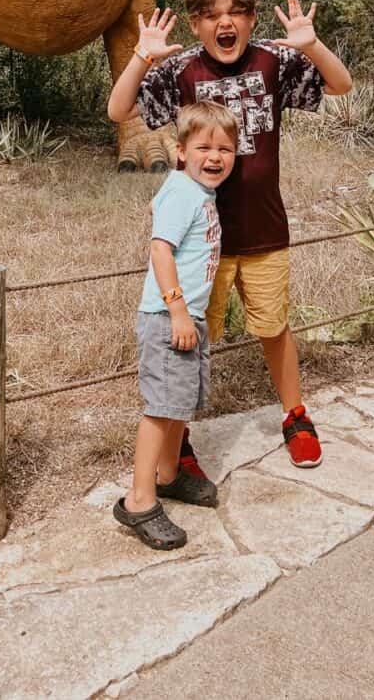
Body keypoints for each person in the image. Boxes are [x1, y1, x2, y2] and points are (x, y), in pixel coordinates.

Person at [108, 0, 353, 473]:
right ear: (195, 25)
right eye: (212, 15)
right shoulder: (181, 72)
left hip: (264, 229)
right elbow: (119, 110)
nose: (227, 23)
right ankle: (180, 441)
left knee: (274, 327)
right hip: (200, 242)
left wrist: (309, 44)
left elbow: (341, 84)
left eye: (238, 13)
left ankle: (295, 415)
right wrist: (140, 56)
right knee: (191, 335)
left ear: (253, 18)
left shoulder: (274, 61)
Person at [113, 99, 239, 550]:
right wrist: (179, 310)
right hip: (169, 317)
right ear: (181, 150)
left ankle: (167, 476)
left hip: (187, 318)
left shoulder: (192, 191)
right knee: (160, 408)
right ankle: (139, 499)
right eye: (203, 147)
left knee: (178, 405)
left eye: (225, 149)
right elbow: (160, 250)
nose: (215, 157)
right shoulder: (185, 193)